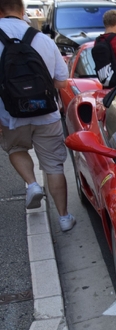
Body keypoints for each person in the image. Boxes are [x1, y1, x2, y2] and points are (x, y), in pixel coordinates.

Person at [0, 0, 75, 231]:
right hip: (47, 113)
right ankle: (64, 218)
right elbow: (62, 81)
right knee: (53, 166)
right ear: (22, 11)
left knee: (15, 149)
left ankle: (32, 184)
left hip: (10, 115)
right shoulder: (43, 39)